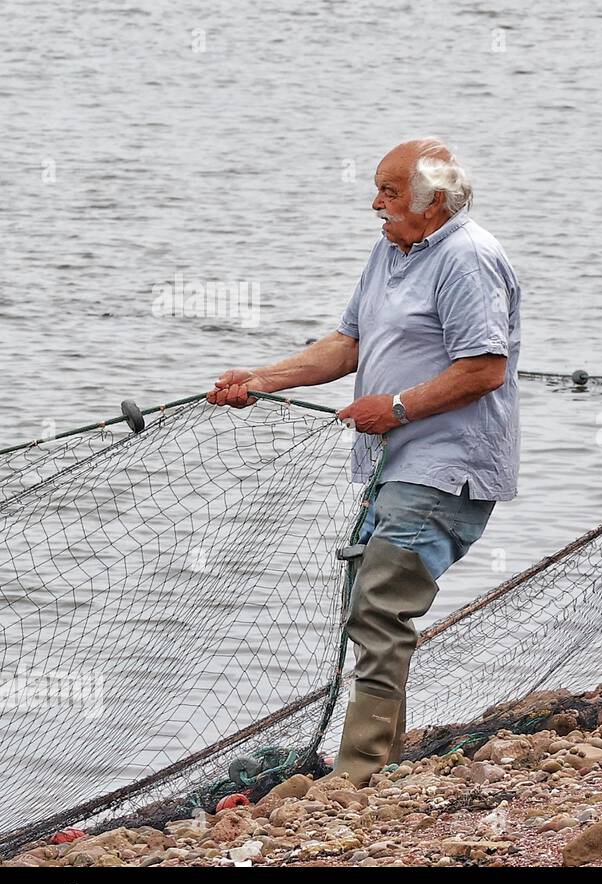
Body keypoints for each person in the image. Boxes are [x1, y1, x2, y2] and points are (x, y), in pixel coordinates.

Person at [208, 137, 521, 785]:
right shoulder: (391, 250)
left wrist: (399, 408)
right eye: (378, 187)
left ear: (434, 203)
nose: (375, 202)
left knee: (379, 607)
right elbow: (347, 344)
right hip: (392, 465)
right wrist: (263, 380)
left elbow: (486, 369)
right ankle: (379, 766)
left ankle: (356, 778)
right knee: (371, 607)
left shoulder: (468, 258)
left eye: (389, 190)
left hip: (445, 466)